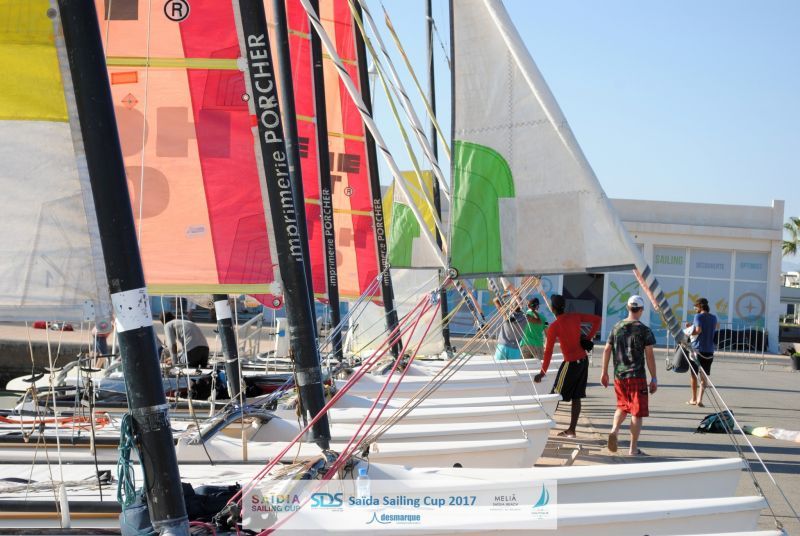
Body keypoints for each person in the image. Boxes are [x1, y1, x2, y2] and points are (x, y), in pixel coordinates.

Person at [534, 294, 601, 438]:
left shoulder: (554, 327)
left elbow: (548, 352)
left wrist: (542, 372)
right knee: (576, 396)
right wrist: (587, 338)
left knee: (554, 395)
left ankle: (541, 427)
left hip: (571, 363)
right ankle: (571, 430)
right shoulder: (575, 317)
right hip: (583, 361)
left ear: (552, 309)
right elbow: (597, 320)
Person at [601, 295, 658, 456]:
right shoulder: (644, 330)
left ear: (627, 308)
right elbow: (649, 356)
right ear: (641, 310)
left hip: (619, 376)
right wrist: (654, 378)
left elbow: (606, 349)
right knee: (636, 413)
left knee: (622, 406)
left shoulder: (616, 327)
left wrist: (604, 372)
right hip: (636, 376)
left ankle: (614, 430)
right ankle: (633, 448)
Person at [686, 297, 719, 407]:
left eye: (695, 307)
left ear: (700, 306)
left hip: (697, 350)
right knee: (704, 376)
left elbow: (698, 330)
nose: (695, 309)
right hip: (709, 351)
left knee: (694, 375)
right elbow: (711, 329)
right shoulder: (714, 318)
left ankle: (694, 399)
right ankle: (700, 399)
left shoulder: (698, 316)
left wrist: (688, 331)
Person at [493, 296, 526, 361]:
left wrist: (509, 294)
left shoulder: (506, 313)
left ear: (511, 305)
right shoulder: (525, 317)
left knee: (498, 367)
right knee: (513, 368)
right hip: (515, 349)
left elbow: (495, 300)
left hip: (503, 346)